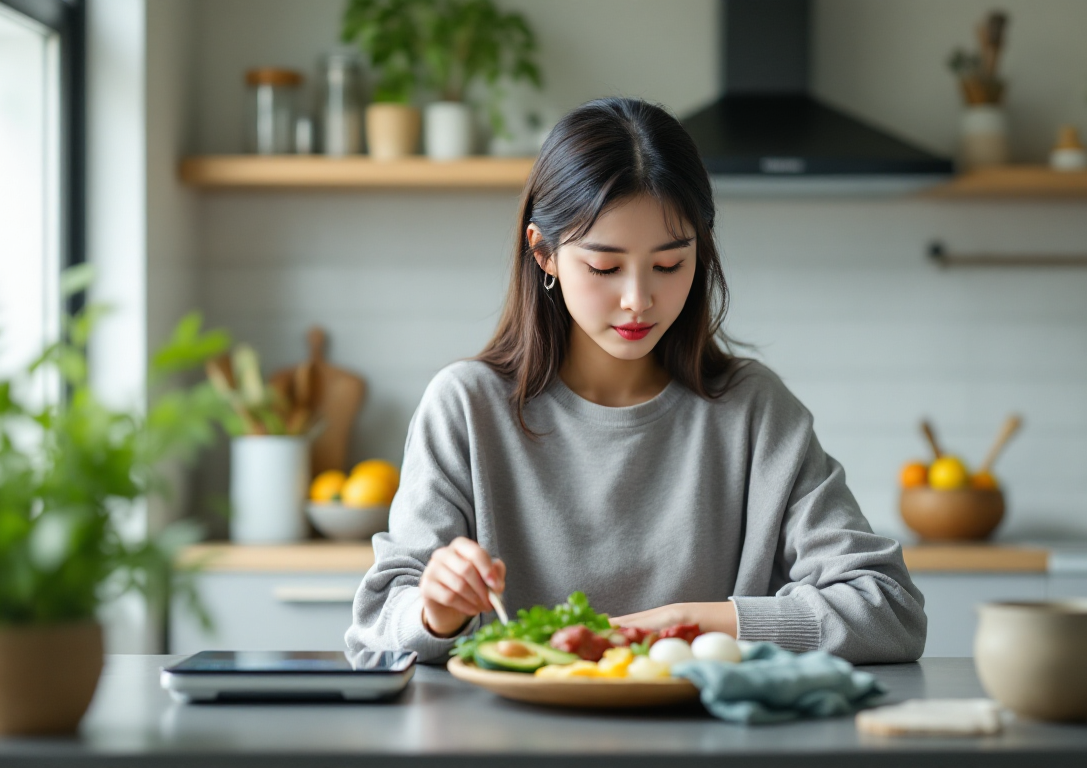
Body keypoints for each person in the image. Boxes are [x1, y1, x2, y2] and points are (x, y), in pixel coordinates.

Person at [346, 97, 925, 664]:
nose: (638, 300)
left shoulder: (754, 410)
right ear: (543, 252)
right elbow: (376, 629)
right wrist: (434, 611)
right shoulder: (466, 407)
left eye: (670, 265)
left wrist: (689, 625)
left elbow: (889, 608)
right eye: (604, 266)